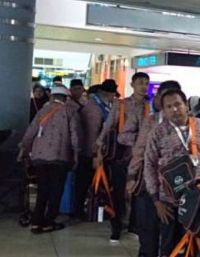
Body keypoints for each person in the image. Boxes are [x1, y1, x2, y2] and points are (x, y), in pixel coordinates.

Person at [143, 88, 200, 257]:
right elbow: (149, 165)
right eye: (168, 107)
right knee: (169, 243)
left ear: (186, 105)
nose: (174, 109)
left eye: (177, 104)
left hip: (199, 194)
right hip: (169, 198)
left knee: (198, 242)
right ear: (163, 110)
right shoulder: (158, 132)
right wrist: (156, 200)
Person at [125, 80, 180, 257]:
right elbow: (140, 150)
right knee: (149, 221)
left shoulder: (191, 123)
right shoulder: (152, 122)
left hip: (179, 184)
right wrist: (132, 175)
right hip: (152, 180)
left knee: (171, 225)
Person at [96, 72, 151, 242]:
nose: (144, 86)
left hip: (142, 155)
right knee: (119, 191)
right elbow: (108, 126)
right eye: (140, 82)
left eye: (146, 83)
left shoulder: (149, 106)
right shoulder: (121, 104)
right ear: (133, 84)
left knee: (138, 191)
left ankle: (134, 225)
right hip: (122, 152)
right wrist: (99, 150)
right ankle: (116, 226)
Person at [18, 85, 81, 234]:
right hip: (60, 157)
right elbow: (75, 136)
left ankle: (36, 222)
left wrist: (23, 150)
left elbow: (30, 132)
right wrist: (76, 154)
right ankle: (48, 222)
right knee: (56, 191)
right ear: (65, 98)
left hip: (40, 157)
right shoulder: (69, 112)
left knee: (42, 190)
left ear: (51, 96)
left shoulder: (42, 111)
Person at [74, 79, 117, 221]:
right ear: (108, 94)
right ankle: (79, 211)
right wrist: (95, 154)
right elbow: (93, 133)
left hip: (93, 152)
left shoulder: (99, 105)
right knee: (84, 183)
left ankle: (86, 210)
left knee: (87, 183)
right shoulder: (94, 108)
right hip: (89, 153)